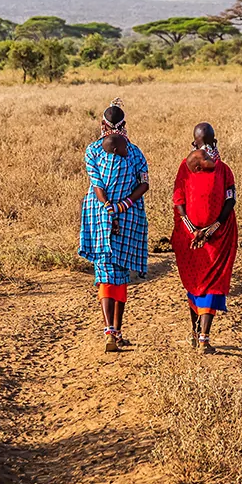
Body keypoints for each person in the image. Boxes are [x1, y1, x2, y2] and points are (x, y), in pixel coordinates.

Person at [79, 100, 150, 353]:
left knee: (105, 273)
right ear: (124, 126)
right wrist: (124, 205)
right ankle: (116, 331)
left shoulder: (93, 151)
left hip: (99, 215)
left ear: (102, 125)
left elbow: (97, 184)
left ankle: (111, 331)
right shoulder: (135, 153)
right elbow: (144, 185)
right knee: (120, 275)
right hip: (128, 216)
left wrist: (109, 206)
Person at [171, 122, 238, 354]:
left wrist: (193, 230)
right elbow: (231, 201)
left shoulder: (184, 167)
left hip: (190, 237)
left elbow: (178, 200)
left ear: (194, 142)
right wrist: (211, 229)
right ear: (214, 140)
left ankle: (195, 333)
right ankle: (203, 338)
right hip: (217, 235)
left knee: (196, 281)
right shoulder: (224, 170)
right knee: (212, 282)